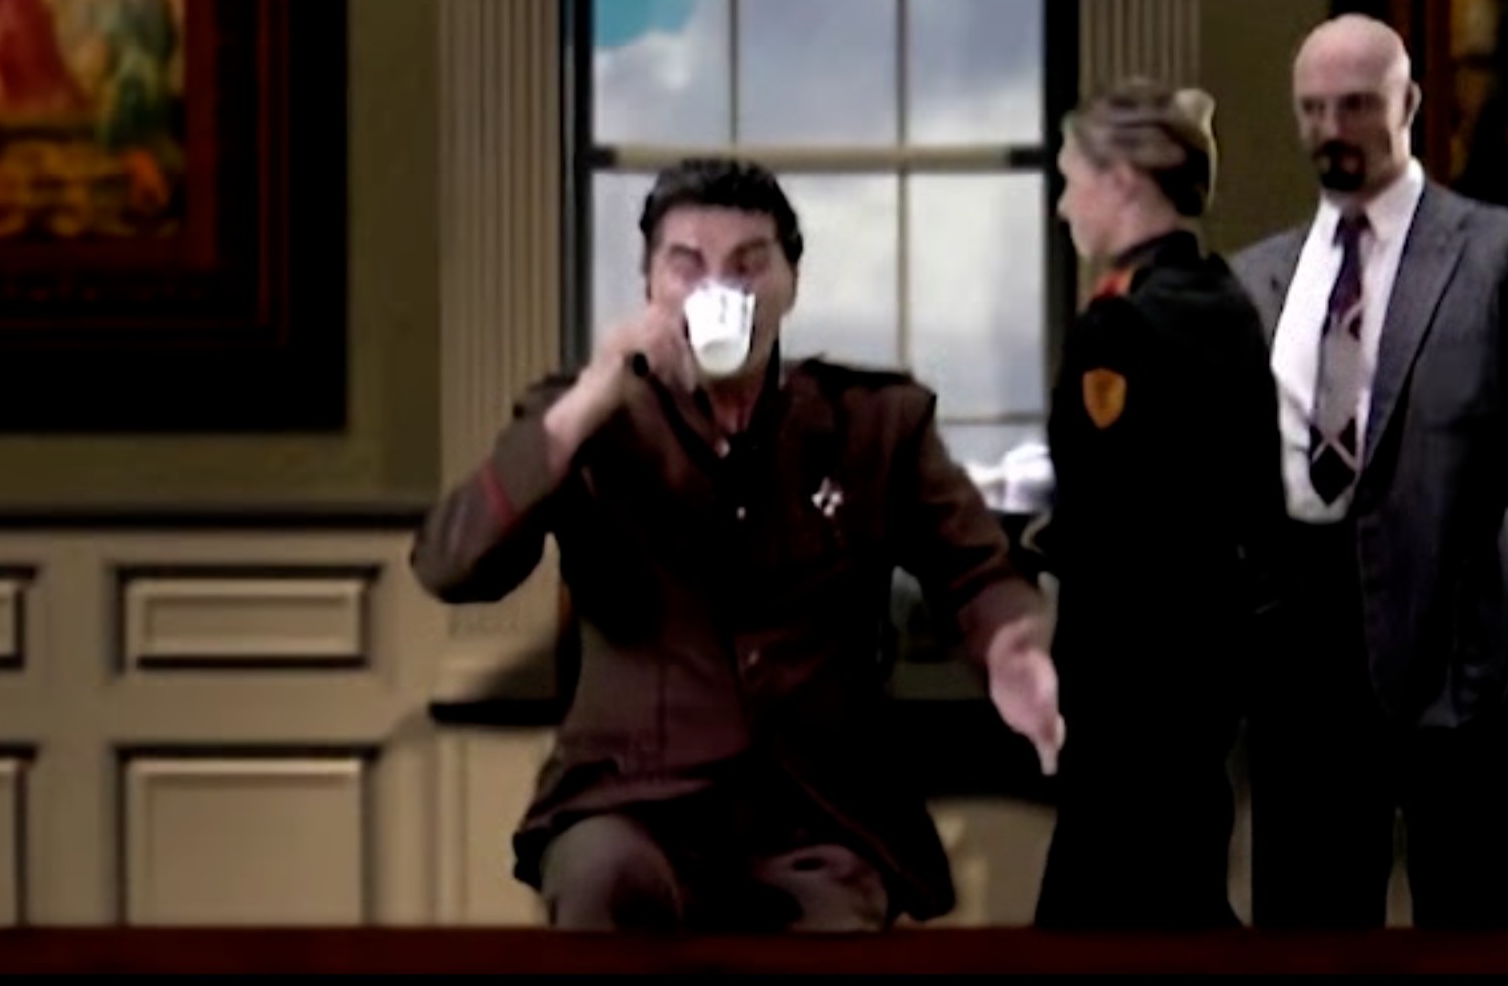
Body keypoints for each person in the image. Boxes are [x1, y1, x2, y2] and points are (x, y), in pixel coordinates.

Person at [410, 158, 1062, 933]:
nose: (720, 288)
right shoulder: (589, 422)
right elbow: (452, 565)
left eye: (749, 266)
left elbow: (975, 570)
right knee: (601, 880)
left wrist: (1012, 646)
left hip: (819, 814)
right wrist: (590, 397)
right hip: (632, 799)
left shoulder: (874, 422)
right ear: (651, 285)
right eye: (687, 267)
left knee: (836, 922)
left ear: (790, 284)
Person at [1229, 14, 1508, 930]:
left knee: (1470, 938)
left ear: (1408, 103)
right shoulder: (1254, 280)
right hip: (1297, 674)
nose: (1332, 129)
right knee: (1305, 941)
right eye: (1313, 109)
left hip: (1461, 658)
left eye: (1355, 106)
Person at [1029, 78, 1287, 932]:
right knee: (1176, 888)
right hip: (1208, 669)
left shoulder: (1123, 325)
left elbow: (1114, 520)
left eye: (1073, 180)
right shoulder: (1226, 303)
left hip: (1128, 680)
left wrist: (1038, 540)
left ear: (1122, 181)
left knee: (1110, 916)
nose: (1064, 206)